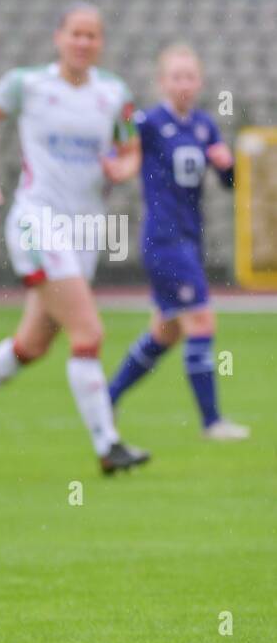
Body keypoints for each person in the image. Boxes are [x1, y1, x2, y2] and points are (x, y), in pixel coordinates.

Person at [0, 4, 150, 474]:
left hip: (86, 231)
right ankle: (107, 446)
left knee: (31, 345)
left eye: (92, 35)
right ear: (59, 37)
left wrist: (124, 166)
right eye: (76, 33)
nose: (83, 42)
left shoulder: (114, 94)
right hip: (37, 223)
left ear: (101, 43)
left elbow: (132, 149)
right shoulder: (27, 84)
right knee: (88, 333)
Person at [106, 45, 249, 439]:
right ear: (162, 82)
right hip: (164, 238)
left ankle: (106, 397)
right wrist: (114, 159)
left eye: (190, 76)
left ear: (199, 81)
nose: (184, 84)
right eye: (176, 76)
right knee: (201, 318)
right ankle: (212, 422)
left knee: (166, 332)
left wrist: (228, 166)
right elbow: (120, 137)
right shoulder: (150, 121)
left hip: (190, 238)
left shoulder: (204, 125)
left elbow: (231, 184)